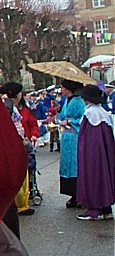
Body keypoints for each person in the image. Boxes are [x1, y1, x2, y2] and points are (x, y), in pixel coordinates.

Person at [75, 85, 115, 220]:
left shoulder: (91, 113)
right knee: (104, 174)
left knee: (93, 174)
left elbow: (89, 138)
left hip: (93, 152)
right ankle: (106, 208)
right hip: (104, 150)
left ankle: (94, 208)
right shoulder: (102, 112)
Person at [0, 82, 37, 216]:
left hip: (10, 143)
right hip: (15, 144)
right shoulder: (9, 107)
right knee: (19, 173)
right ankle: (20, 204)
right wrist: (23, 139)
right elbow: (16, 127)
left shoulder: (4, 105)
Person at [57, 79, 86, 208]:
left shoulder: (79, 101)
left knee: (76, 164)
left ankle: (80, 195)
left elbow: (83, 118)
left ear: (68, 88)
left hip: (75, 136)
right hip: (67, 136)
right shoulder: (66, 101)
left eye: (63, 87)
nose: (61, 90)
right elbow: (62, 116)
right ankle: (72, 194)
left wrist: (69, 122)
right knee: (67, 165)